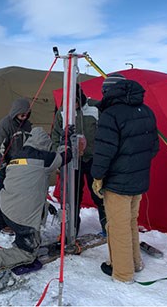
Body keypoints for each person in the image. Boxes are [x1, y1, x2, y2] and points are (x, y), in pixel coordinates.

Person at [0, 127, 71, 288]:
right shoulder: (45, 158)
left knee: (25, 227)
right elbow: (66, 156)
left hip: (7, 209)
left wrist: (46, 206)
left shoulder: (17, 157)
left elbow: (28, 187)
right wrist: (67, 139)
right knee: (28, 253)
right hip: (22, 215)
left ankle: (21, 238)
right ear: (44, 144)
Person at [91, 74, 159, 283]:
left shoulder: (110, 115)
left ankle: (122, 273)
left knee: (117, 226)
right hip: (138, 180)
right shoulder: (146, 111)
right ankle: (135, 262)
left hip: (117, 183)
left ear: (108, 92)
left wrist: (98, 177)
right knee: (130, 222)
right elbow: (154, 147)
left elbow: (104, 152)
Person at [51, 85, 104, 239]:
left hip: (92, 158)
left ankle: (108, 227)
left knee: (99, 194)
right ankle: (70, 229)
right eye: (69, 103)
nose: (72, 106)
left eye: (74, 102)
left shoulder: (94, 108)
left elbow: (104, 132)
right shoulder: (62, 112)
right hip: (71, 161)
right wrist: (60, 155)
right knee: (71, 196)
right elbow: (55, 135)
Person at [0, 98, 33, 235]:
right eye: (22, 114)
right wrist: (1, 165)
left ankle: (16, 220)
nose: (24, 117)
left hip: (21, 167)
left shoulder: (27, 125)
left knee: (18, 195)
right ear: (16, 112)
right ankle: (1, 223)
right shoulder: (4, 125)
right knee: (2, 195)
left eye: (26, 114)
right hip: (5, 166)